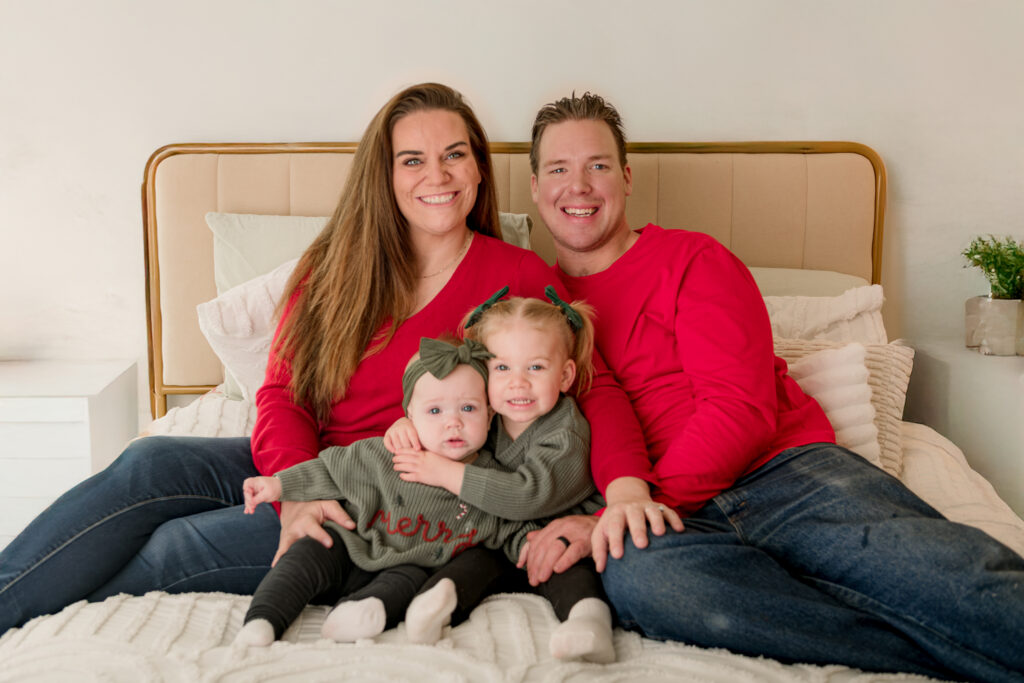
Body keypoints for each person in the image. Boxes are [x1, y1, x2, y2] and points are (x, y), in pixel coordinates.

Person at [0, 82, 646, 635]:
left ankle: (40, 608)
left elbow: (596, 388)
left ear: (479, 169)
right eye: (412, 159)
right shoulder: (334, 266)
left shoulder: (518, 276)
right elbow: (282, 395)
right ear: (386, 175)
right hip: (319, 464)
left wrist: (619, 493)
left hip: (393, 501)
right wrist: (296, 494)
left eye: (455, 155)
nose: (438, 175)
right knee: (148, 461)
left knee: (177, 544)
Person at [524, 91, 1024, 683]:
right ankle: (930, 651)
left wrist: (638, 501)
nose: (577, 186)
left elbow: (740, 409)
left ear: (627, 177)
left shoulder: (692, 258)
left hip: (784, 476)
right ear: (535, 187)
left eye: (597, 165)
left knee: (942, 577)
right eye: (558, 169)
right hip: (672, 520)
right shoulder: (535, 312)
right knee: (646, 585)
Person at [236, 337, 540, 645]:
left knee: (408, 582)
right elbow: (331, 470)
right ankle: (263, 619)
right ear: (410, 415)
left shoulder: (490, 480)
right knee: (307, 550)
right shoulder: (389, 452)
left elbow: (511, 525)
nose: (453, 422)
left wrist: (531, 545)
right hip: (353, 542)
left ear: (490, 416)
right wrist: (277, 485)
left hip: (412, 565)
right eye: (435, 410)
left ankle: (362, 612)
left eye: (468, 408)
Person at [386, 288, 614, 662]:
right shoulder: (486, 418)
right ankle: (436, 607)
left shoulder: (565, 432)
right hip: (503, 538)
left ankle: (589, 624)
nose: (518, 383)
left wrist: (446, 472)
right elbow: (445, 423)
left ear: (565, 375)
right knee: (469, 562)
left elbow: (527, 496)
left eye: (536, 367)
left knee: (565, 566)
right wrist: (406, 423)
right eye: (502, 368)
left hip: (555, 532)